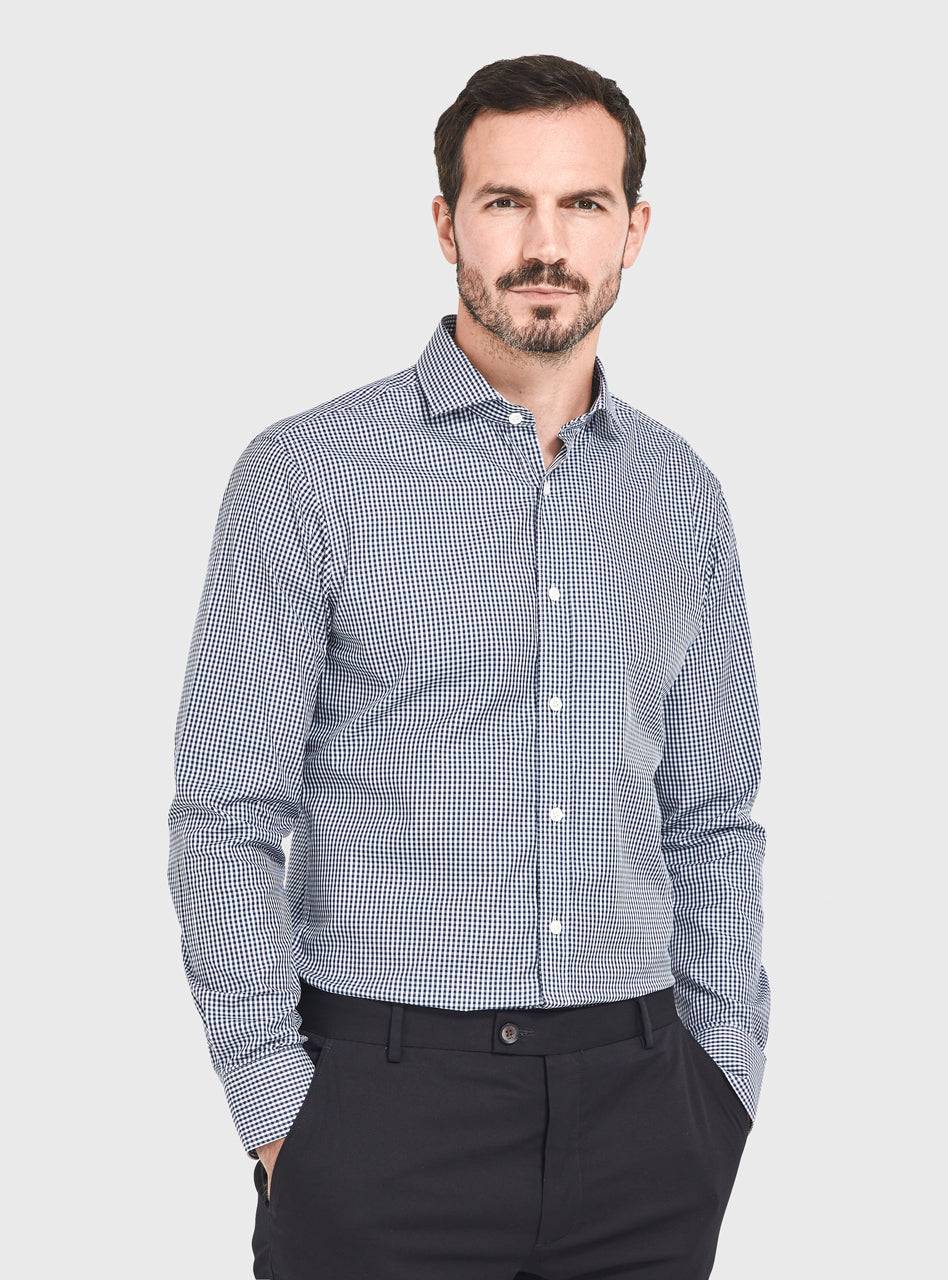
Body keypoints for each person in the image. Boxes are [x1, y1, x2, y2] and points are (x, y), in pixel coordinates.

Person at [169, 53, 769, 1280]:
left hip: (645, 1117)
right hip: (381, 1118)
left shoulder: (681, 494)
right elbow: (225, 815)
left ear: (634, 229)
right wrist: (281, 1112)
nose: (546, 244)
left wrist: (720, 1087)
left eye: (583, 203)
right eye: (507, 202)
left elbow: (713, 817)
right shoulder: (308, 476)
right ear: (447, 223)